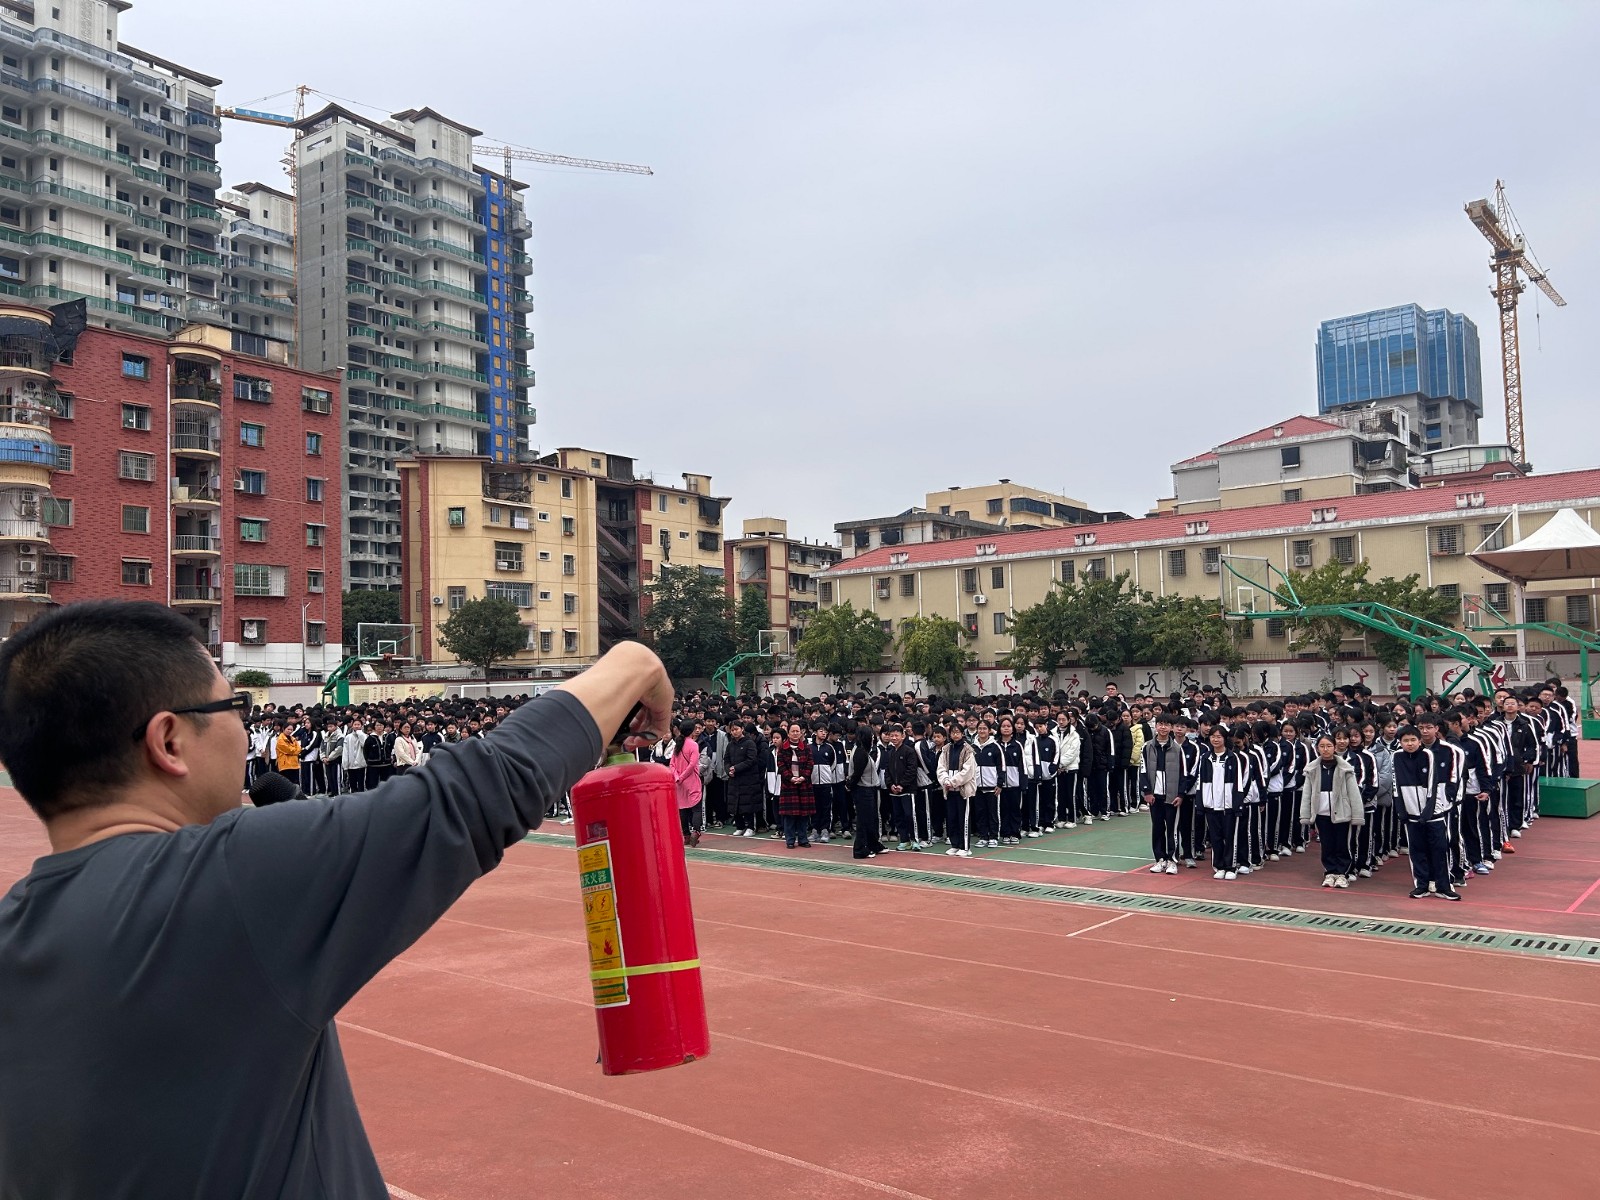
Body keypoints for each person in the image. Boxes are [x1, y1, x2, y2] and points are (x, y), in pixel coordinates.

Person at [0, 600, 672, 1199]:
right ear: (170, 741)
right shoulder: (227, 877)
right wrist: (632, 663)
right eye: (235, 709)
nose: (245, 732)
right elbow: (474, 794)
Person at [1299, 733, 1362, 888]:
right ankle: (1330, 872)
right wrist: (1305, 814)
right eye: (1322, 746)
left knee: (1342, 844)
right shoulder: (1312, 769)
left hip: (1342, 813)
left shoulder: (1345, 768)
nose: (1325, 749)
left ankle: (1342, 873)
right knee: (1327, 844)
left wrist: (1357, 815)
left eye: (1329, 746)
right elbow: (1307, 793)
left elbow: (1353, 793)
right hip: (1321, 813)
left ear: (1334, 748)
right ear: (1317, 748)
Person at [937, 721, 978, 858]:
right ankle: (954, 845)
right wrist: (945, 781)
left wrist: (953, 782)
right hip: (949, 790)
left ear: (962, 734)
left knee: (963, 819)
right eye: (953, 732)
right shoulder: (946, 749)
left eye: (958, 732)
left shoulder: (968, 750)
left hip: (963, 790)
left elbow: (968, 771)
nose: (955, 735)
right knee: (951, 818)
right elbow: (941, 768)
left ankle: (965, 846)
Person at [724, 717, 762, 837]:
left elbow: (751, 760)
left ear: (742, 729)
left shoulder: (749, 743)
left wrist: (736, 768)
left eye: (737, 729)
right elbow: (726, 759)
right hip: (734, 778)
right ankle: (740, 826)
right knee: (735, 803)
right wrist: (728, 770)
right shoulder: (730, 745)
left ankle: (751, 827)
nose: (734, 732)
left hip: (748, 779)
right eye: (732, 730)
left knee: (748, 804)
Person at [670, 719, 703, 846]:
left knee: (682, 808)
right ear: (692, 731)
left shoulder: (677, 744)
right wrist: (683, 776)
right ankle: (696, 831)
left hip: (679, 783)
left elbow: (672, 764)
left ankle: (686, 835)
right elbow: (692, 764)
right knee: (696, 808)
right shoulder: (693, 745)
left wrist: (677, 777)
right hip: (691, 780)